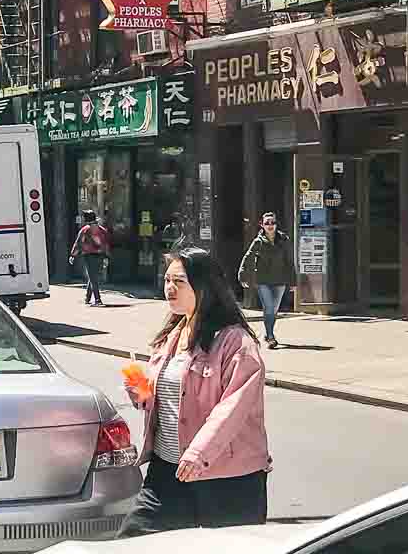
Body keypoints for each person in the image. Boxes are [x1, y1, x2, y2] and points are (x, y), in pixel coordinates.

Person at [120, 245, 270, 535]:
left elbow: (233, 408)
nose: (169, 288)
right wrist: (142, 393)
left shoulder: (235, 342)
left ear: (204, 286)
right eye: (166, 280)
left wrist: (197, 453)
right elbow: (167, 398)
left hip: (227, 477)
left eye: (179, 281)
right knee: (134, 540)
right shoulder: (171, 336)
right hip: (168, 472)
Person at [238, 212, 295, 347]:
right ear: (262, 225)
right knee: (268, 307)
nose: (270, 225)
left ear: (276, 224)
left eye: (272, 223)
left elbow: (289, 261)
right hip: (263, 280)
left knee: (274, 309)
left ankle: (268, 332)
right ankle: (270, 336)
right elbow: (248, 257)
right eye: (267, 223)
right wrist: (242, 274)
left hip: (280, 280)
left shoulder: (283, 240)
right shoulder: (258, 241)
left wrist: (293, 281)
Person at [69, 209, 111, 307]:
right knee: (93, 276)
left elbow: (78, 243)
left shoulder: (85, 230)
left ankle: (97, 300)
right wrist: (106, 256)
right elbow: (106, 244)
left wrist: (73, 255)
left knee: (93, 278)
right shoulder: (102, 230)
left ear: (86, 219)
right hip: (100, 255)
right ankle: (87, 298)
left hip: (89, 256)